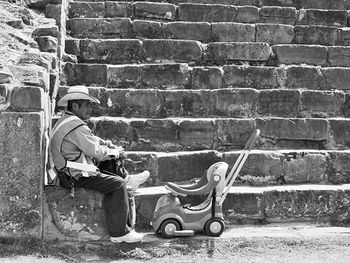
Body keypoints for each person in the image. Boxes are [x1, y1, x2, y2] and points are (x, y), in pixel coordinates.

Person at [49, 86, 149, 243]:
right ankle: (120, 234)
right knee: (117, 184)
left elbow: (91, 140)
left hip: (69, 171)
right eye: (87, 105)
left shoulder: (67, 121)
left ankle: (129, 180)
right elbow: (95, 151)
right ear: (75, 106)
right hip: (73, 176)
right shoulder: (75, 125)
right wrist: (115, 151)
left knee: (111, 163)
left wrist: (107, 146)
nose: (90, 108)